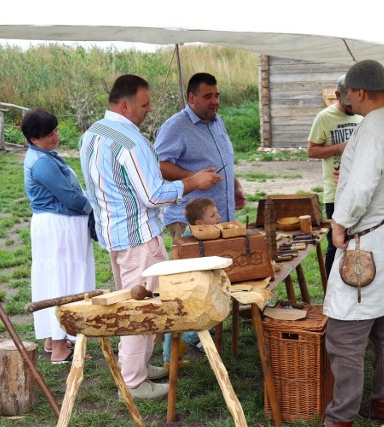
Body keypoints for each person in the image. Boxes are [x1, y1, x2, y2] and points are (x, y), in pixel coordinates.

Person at [79, 74, 220, 400]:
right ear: (125, 105)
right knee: (138, 310)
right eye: (144, 105)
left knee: (133, 301)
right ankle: (132, 382)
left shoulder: (93, 133)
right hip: (139, 238)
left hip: (114, 234)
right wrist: (193, 181)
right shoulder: (131, 142)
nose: (148, 110)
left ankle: (138, 369)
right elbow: (154, 195)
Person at [322, 60, 384, 427]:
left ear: (359, 92)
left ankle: (341, 418)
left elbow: (363, 184)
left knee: (344, 336)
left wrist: (340, 223)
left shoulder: (377, 125)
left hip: (368, 240)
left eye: (349, 93)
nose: (348, 99)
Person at [21, 109, 95, 364]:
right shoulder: (41, 162)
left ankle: (53, 339)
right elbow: (70, 197)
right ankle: (61, 346)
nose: (56, 136)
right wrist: (95, 208)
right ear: (33, 138)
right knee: (63, 282)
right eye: (49, 133)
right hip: (58, 226)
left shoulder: (43, 155)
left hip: (58, 225)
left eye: (55, 130)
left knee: (57, 279)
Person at [154, 72, 246, 240]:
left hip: (220, 218)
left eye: (217, 96)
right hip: (190, 223)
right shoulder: (176, 126)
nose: (215, 101)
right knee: (196, 267)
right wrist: (194, 179)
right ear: (192, 98)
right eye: (208, 96)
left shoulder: (217, 121)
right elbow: (158, 165)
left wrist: (235, 186)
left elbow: (222, 159)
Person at [307, 74, 363, 276]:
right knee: (336, 243)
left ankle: (356, 283)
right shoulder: (324, 117)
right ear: (338, 95)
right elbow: (311, 151)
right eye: (347, 104)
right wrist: (341, 147)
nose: (351, 108)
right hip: (335, 193)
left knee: (360, 240)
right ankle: (332, 290)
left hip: (361, 191)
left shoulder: (362, 115)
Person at [162, 197, 220, 364]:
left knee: (176, 324)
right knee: (181, 321)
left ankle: (170, 358)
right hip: (186, 287)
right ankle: (188, 339)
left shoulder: (199, 233)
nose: (218, 217)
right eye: (213, 215)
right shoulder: (190, 241)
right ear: (199, 223)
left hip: (195, 285)